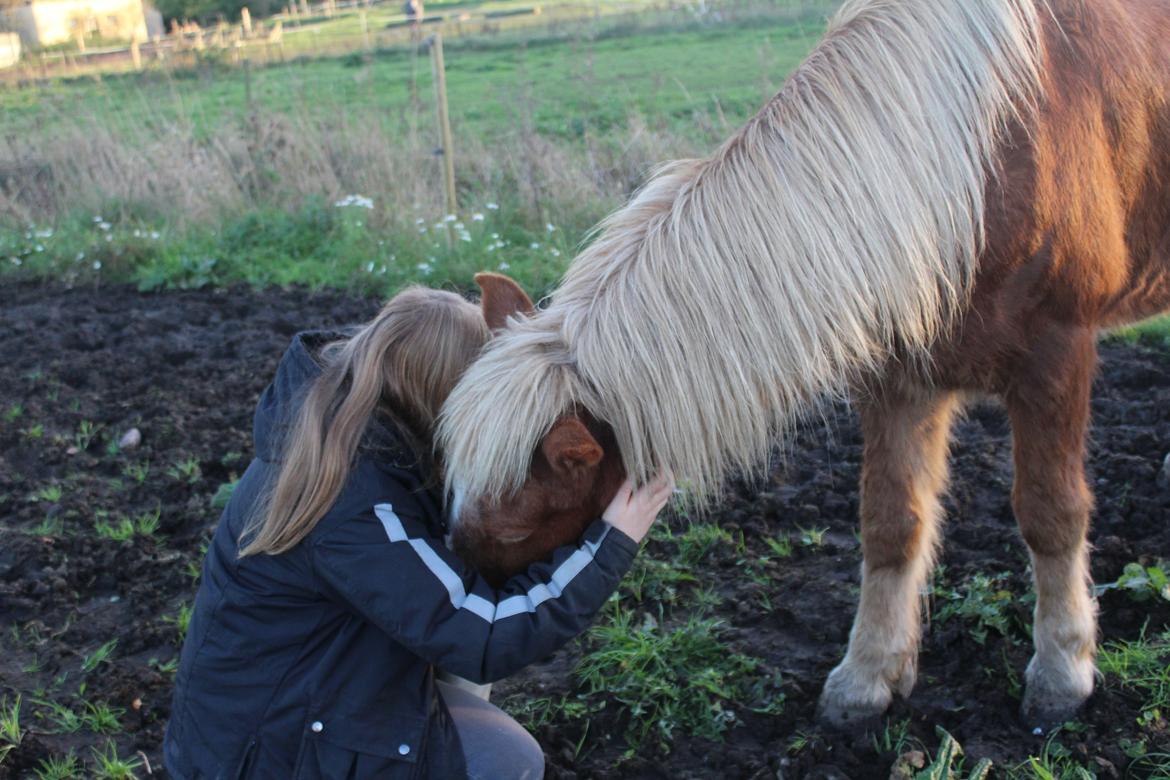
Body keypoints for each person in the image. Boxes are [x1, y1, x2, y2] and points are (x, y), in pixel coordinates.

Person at [163, 285, 673, 780]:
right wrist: (612, 542)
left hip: (280, 708)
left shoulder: (337, 438)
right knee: (504, 760)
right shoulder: (354, 508)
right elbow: (486, 636)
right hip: (265, 755)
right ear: (443, 393)